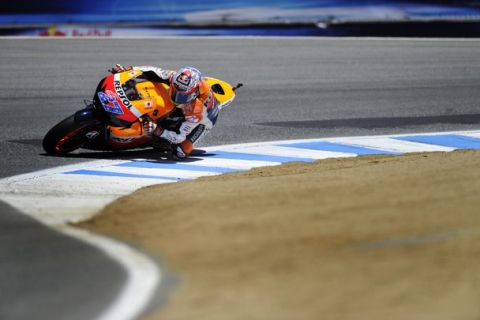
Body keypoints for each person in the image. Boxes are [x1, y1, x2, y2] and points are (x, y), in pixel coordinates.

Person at [109, 64, 219, 159]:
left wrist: (158, 130)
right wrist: (128, 69)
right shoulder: (176, 78)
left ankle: (159, 140)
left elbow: (179, 137)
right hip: (191, 102)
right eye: (175, 92)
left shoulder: (195, 109)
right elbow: (152, 70)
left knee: (181, 152)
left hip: (205, 119)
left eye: (182, 96)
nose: (177, 97)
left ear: (194, 94)